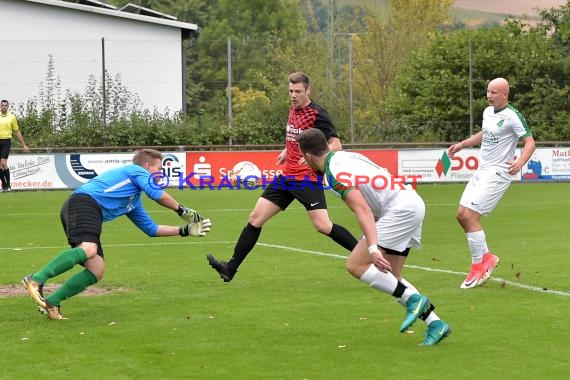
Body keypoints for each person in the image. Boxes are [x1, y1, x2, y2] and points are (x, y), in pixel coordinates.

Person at [296, 128, 451, 346]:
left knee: (356, 265)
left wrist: (373, 248)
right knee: (391, 278)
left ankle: (414, 299)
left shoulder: (334, 175)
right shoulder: (345, 156)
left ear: (307, 156)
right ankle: (436, 324)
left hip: (400, 209)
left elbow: (363, 210)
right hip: (410, 201)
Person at [22, 149, 212, 319]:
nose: (160, 173)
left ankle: (51, 303)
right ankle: (36, 279)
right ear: (147, 166)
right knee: (89, 249)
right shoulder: (135, 171)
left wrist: (184, 231)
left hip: (87, 210)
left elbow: (151, 229)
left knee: (97, 269)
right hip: (84, 203)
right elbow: (156, 194)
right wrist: (181, 210)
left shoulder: (133, 199)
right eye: (159, 168)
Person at [207, 72, 357, 282]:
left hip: (306, 178)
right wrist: (287, 151)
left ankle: (364, 254)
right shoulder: (292, 109)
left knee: (323, 226)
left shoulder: (317, 114)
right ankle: (230, 268)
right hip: (287, 177)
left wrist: (317, 157)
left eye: (298, 91)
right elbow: (296, 137)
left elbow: (336, 144)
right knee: (255, 218)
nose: (293, 95)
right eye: (290, 91)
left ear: (308, 91)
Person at [449, 77, 536, 289]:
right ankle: (486, 257)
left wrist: (521, 161)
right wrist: (462, 144)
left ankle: (478, 266)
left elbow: (530, 142)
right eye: (488, 91)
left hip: (498, 173)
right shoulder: (488, 112)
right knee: (461, 215)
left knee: (470, 216)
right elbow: (484, 133)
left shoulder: (513, 116)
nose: (489, 95)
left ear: (505, 94)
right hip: (482, 170)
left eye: (494, 92)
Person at [0, 99, 29, 192]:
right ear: (0, 106)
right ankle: (4, 186)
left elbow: (17, 131)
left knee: (3, 163)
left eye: (5, 105)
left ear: (8, 107)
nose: (4, 106)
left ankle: (8, 186)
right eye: (2, 105)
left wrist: (23, 145)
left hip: (6, 142)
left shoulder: (11, 117)